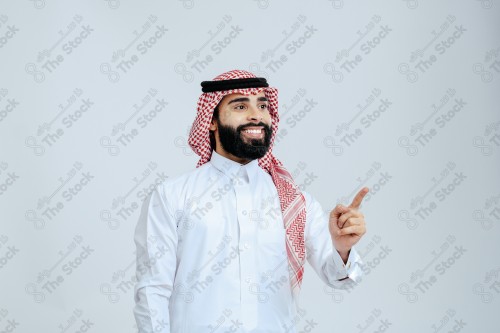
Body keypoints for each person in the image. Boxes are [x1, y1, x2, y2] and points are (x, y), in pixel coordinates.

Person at [133, 69, 368, 333]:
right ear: (210, 120)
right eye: (241, 105)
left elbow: (340, 279)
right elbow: (152, 290)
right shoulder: (172, 196)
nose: (256, 114)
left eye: (263, 105)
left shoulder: (294, 202)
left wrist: (342, 249)